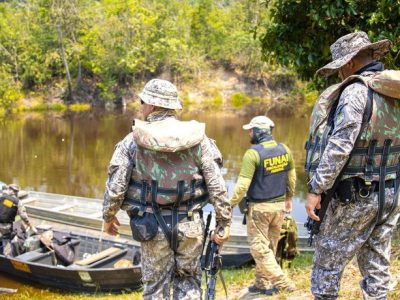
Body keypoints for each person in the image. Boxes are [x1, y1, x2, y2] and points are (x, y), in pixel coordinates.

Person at [102, 78, 232, 299]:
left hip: (151, 227)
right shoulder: (199, 140)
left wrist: (108, 216)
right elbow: (217, 185)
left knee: (155, 290)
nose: (141, 106)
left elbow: (116, 187)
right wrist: (224, 221)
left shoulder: (133, 141)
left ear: (152, 105)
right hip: (190, 224)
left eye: (142, 101)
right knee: (189, 284)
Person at [305, 31, 400, 299]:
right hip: (390, 192)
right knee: (377, 263)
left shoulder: (356, 92)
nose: (339, 75)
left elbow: (339, 146)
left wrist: (316, 189)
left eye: (339, 68)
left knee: (327, 265)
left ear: (349, 63)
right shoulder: (394, 94)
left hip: (356, 195)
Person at [230, 115, 296, 295]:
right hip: (278, 208)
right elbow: (291, 178)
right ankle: (261, 283)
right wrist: (289, 198)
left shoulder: (253, 154)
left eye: (251, 130)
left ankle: (282, 282)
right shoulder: (284, 149)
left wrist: (230, 204)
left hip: (259, 209)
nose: (249, 133)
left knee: (259, 248)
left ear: (258, 132)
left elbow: (242, 185)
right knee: (269, 248)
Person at [0, 184, 37, 256]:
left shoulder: (2, 197)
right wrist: (29, 224)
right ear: (16, 192)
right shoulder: (17, 202)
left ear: (9, 190)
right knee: (6, 239)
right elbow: (23, 216)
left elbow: (6, 205)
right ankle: (6, 258)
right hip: (5, 225)